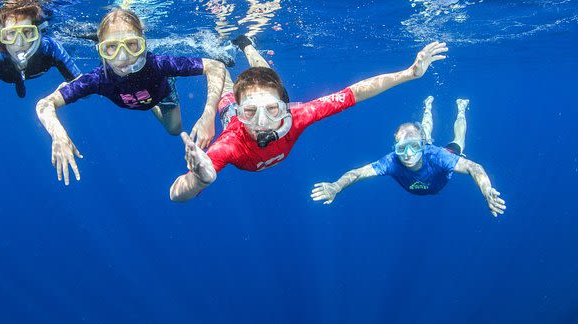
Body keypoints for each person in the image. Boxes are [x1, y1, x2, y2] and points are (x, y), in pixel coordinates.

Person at [170, 37, 448, 202]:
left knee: (267, 75)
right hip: (232, 113)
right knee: (226, 93)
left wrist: (409, 74)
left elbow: (356, 92)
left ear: (285, 107)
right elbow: (176, 194)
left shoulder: (300, 115)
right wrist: (200, 180)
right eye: (251, 113)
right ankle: (218, 63)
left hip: (277, 103)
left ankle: (247, 45)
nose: (264, 121)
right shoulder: (229, 144)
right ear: (242, 114)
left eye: (273, 110)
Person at [36, 8, 226, 185]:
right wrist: (58, 135)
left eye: (132, 45)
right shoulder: (98, 79)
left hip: (161, 94)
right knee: (170, 126)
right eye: (111, 48)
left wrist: (209, 115)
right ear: (101, 50)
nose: (123, 57)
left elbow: (216, 66)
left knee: (175, 129)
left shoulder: (159, 65)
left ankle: (162, 93)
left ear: (142, 44)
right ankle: (149, 105)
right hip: (139, 100)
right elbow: (45, 104)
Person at [311, 97, 506, 217]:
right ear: (395, 148)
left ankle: (461, 108)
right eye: (402, 148)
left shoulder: (439, 157)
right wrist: (335, 186)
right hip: (426, 146)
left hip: (435, 152)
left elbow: (475, 168)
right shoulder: (392, 162)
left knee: (458, 141)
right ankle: (427, 108)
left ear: (420, 147)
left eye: (414, 147)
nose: (409, 155)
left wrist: (487, 191)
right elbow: (356, 174)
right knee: (426, 135)